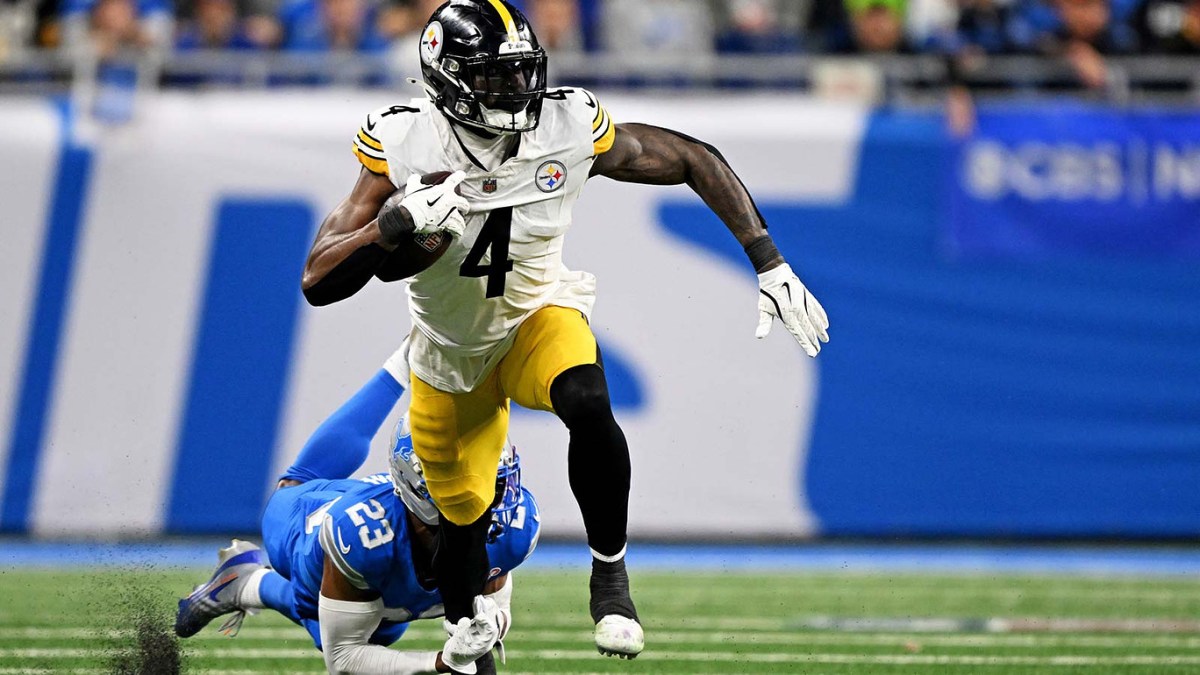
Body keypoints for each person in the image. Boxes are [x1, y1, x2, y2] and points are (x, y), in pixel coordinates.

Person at [299, 0, 830, 665]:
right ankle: (472, 647)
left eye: (522, 73)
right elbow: (319, 279)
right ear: (448, 80)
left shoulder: (566, 124)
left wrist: (768, 257)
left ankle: (610, 577)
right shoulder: (406, 141)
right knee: (461, 525)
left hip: (534, 316)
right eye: (495, 78)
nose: (517, 91)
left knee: (586, 397)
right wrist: (391, 227)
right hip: (448, 354)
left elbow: (691, 157)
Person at [175, 345, 541, 675]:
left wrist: (492, 625)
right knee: (301, 498)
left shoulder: (513, 523)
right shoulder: (360, 535)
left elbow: (492, 607)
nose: (489, 498)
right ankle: (245, 582)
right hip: (306, 527)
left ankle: (244, 580)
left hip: (390, 524)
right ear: (422, 489)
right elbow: (345, 659)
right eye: (474, 482)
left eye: (495, 481)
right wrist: (441, 662)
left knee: (387, 623)